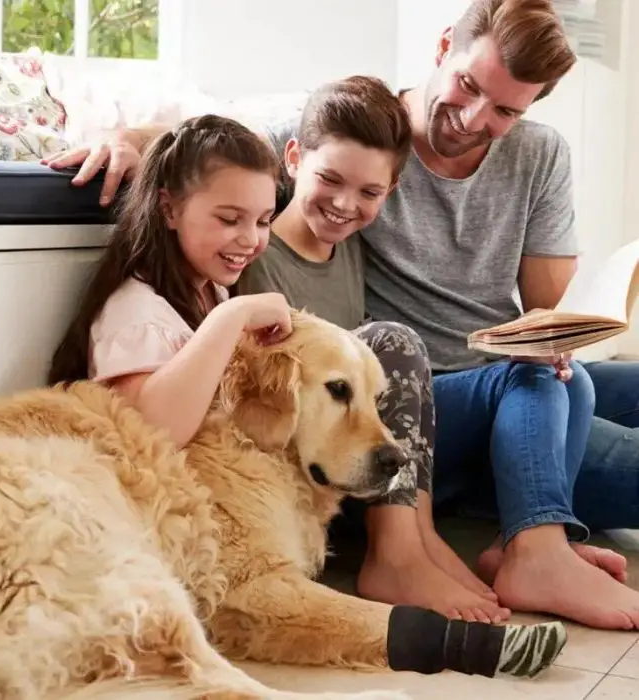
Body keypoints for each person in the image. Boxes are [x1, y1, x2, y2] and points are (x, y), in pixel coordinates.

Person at [41, 0, 639, 631]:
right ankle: (535, 546)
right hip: (425, 392)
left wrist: (558, 331)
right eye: (468, 86)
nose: (472, 118)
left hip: (493, 376)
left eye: (505, 111)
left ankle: (529, 527)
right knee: (537, 383)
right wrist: (125, 138)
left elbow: (546, 300)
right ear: (444, 48)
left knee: (578, 382)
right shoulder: (331, 143)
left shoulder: (531, 158)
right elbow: (208, 145)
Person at [235, 75, 509, 623]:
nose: (343, 205)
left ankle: (420, 535)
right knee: (392, 341)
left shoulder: (351, 245)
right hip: (299, 462)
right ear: (292, 158)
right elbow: (207, 139)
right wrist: (131, 137)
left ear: (391, 189)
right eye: (329, 180)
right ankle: (397, 554)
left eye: (369, 193)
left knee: (413, 360)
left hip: (361, 462)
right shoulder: (255, 258)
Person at [48, 114, 295, 456]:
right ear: (169, 209)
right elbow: (154, 432)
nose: (252, 239)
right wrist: (232, 315)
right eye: (229, 219)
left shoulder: (210, 289)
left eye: (264, 220)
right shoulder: (138, 314)